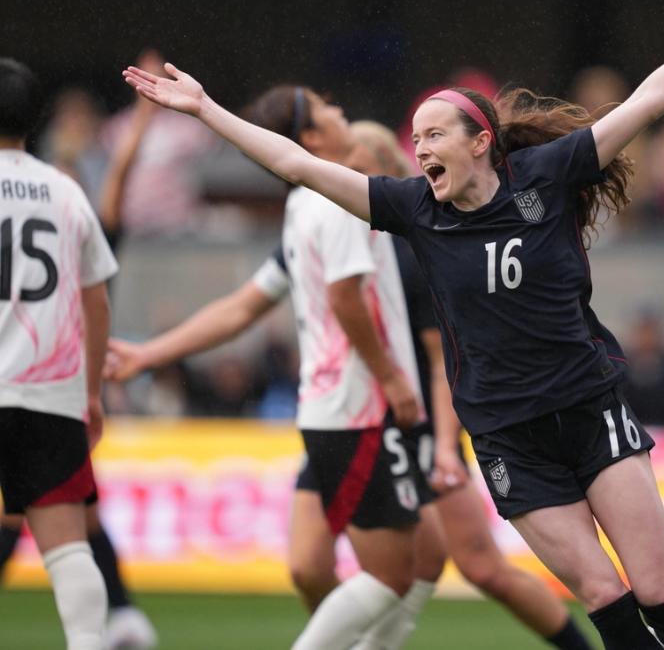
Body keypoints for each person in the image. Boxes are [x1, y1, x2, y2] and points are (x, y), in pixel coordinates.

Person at [122, 0, 664, 648]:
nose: (419, 149)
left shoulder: (545, 174)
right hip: (508, 436)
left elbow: (650, 102)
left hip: (588, 408)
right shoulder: (414, 208)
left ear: (482, 143)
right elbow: (297, 166)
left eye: (434, 135)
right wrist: (206, 109)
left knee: (663, 600)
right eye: (415, 140)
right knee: (608, 600)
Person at [107, 117, 594, 650]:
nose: (350, 182)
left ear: (389, 177)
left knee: (474, 565)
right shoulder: (323, 223)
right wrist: (150, 353)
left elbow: (441, 357)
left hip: (407, 419)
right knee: (310, 565)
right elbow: (243, 307)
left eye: (364, 171)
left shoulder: (418, 247)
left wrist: (443, 446)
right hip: (342, 413)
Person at [0, 51, 161, 650]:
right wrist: (89, 394)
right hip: (48, 394)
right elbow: (98, 305)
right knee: (69, 549)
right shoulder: (66, 195)